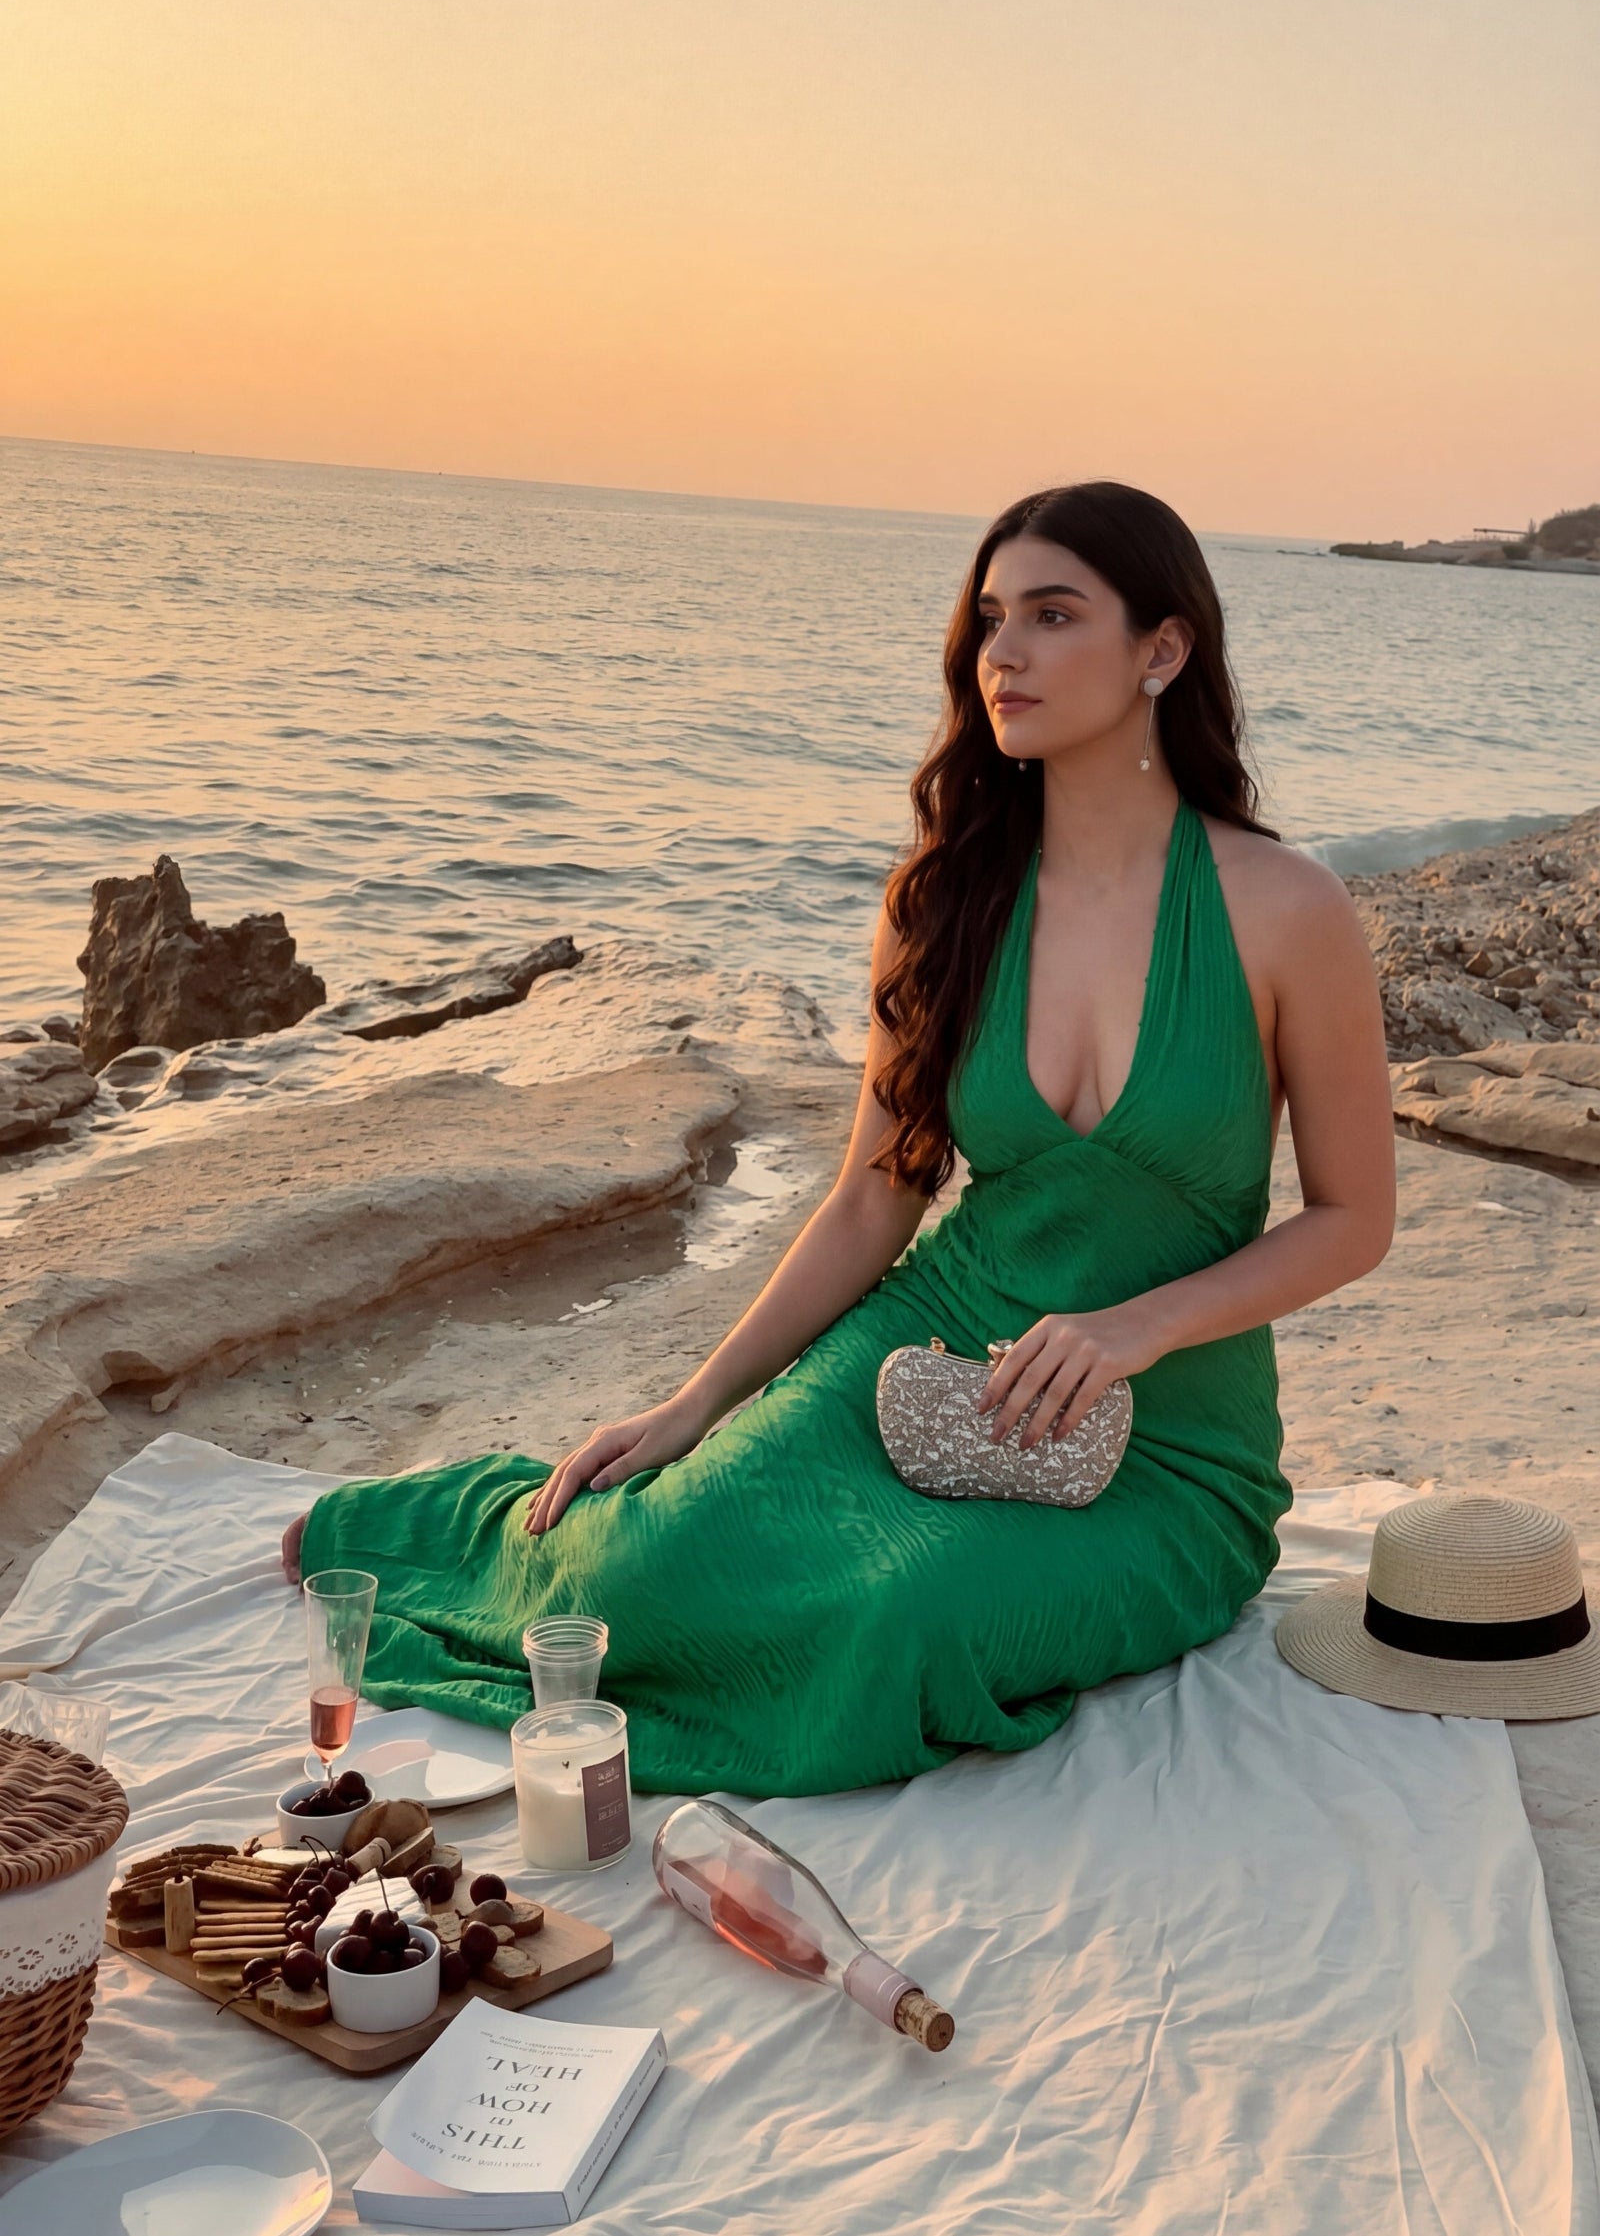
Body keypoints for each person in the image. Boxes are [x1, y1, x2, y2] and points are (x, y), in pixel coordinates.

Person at [284, 481, 1395, 1797]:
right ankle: (458, 1519)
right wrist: (699, 1399)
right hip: (922, 1358)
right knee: (636, 1571)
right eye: (990, 619)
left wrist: (1134, 1327)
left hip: (1164, 1446)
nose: (1005, 654)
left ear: (1162, 649)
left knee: (895, 1630)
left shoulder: (1285, 908)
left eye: (1052, 615)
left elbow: (1351, 1219)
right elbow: (877, 1197)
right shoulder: (946, 901)